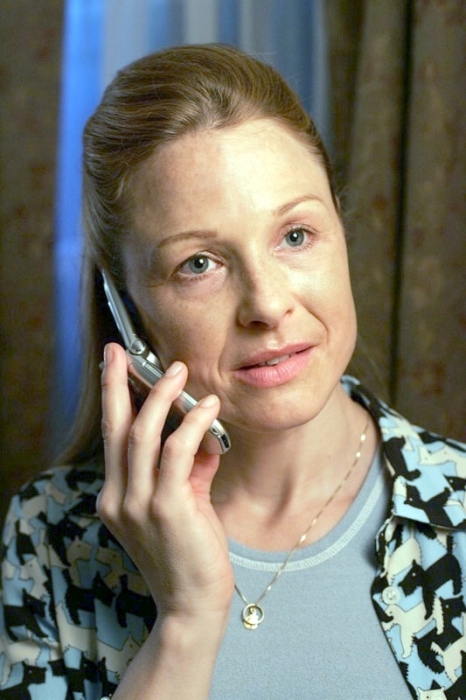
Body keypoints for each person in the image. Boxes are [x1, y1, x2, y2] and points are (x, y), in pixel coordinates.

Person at [1, 44, 465, 700]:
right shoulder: (49, 536)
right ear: (127, 308)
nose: (268, 305)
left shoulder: (458, 514)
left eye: (295, 236)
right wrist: (186, 622)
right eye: (198, 264)